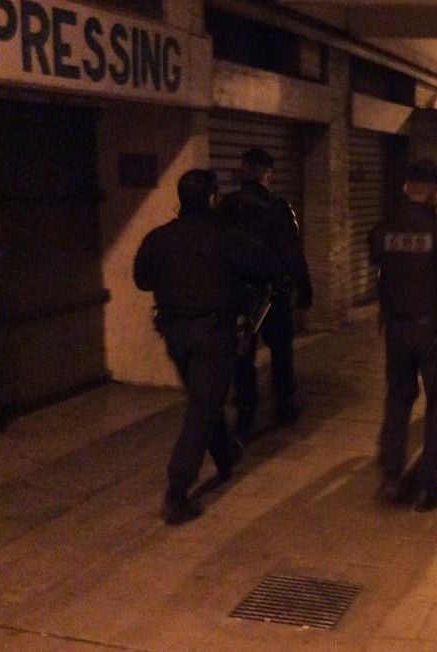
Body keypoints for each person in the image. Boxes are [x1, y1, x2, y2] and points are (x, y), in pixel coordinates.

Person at [134, 169, 279, 524]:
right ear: (213, 198)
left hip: (174, 333)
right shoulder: (226, 237)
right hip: (214, 334)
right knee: (203, 403)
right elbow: (264, 269)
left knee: (205, 396)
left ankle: (225, 455)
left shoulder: (159, 238)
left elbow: (142, 280)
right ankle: (177, 490)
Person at [368, 159, 437, 512]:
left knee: (398, 399)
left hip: (397, 329)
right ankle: (428, 482)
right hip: (436, 331)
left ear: (405, 187)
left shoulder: (381, 231)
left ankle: (391, 474)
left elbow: (379, 269)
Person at [219, 148, 313, 436]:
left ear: (244, 168)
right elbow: (291, 251)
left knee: (242, 352)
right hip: (272, 294)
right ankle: (283, 405)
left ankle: (246, 409)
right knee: (281, 350)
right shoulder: (278, 207)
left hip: (236, 292)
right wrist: (304, 285)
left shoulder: (226, 206)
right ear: (268, 173)